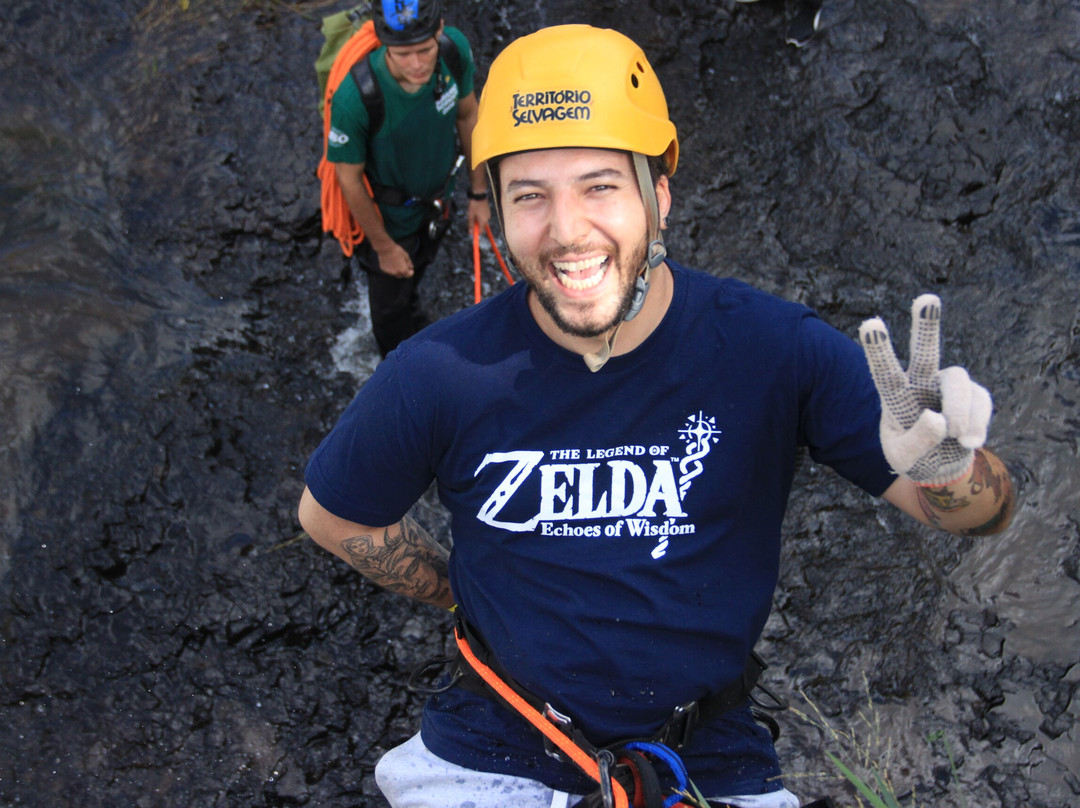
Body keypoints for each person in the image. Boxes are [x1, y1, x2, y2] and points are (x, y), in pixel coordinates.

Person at [299, 24, 1016, 808]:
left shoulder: (776, 350)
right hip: (491, 745)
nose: (568, 231)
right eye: (530, 195)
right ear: (497, 211)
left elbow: (976, 518)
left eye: (600, 185)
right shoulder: (440, 374)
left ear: (658, 197)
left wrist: (948, 470)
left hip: (705, 756)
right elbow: (332, 514)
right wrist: (458, 591)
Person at [326, 0, 490, 357]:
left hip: (437, 203)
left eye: (425, 50)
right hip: (391, 221)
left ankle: (414, 316)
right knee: (388, 313)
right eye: (402, 54)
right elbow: (348, 179)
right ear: (384, 43)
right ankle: (396, 370)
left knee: (414, 275)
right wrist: (384, 248)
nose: (416, 64)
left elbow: (467, 114)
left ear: (440, 31)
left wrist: (479, 194)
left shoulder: (454, 51)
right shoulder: (357, 98)